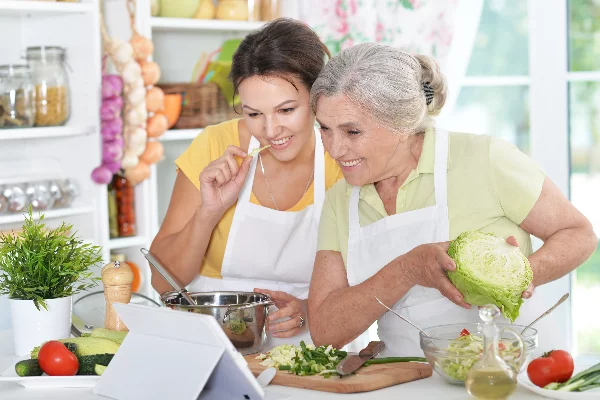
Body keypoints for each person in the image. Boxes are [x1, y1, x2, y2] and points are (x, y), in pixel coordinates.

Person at [307, 43, 597, 356]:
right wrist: (407, 270)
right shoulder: (341, 200)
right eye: (324, 128)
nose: (334, 149)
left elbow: (578, 234)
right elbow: (326, 331)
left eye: (351, 132)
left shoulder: (484, 158)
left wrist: (519, 274)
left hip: (511, 371)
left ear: (402, 125)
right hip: (411, 382)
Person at [149, 18, 343, 348]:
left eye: (286, 110)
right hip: (212, 342)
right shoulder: (214, 145)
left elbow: (363, 279)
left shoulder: (341, 155)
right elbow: (162, 282)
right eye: (253, 114)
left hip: (309, 346)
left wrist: (309, 310)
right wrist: (209, 212)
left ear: (317, 97)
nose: (270, 130)